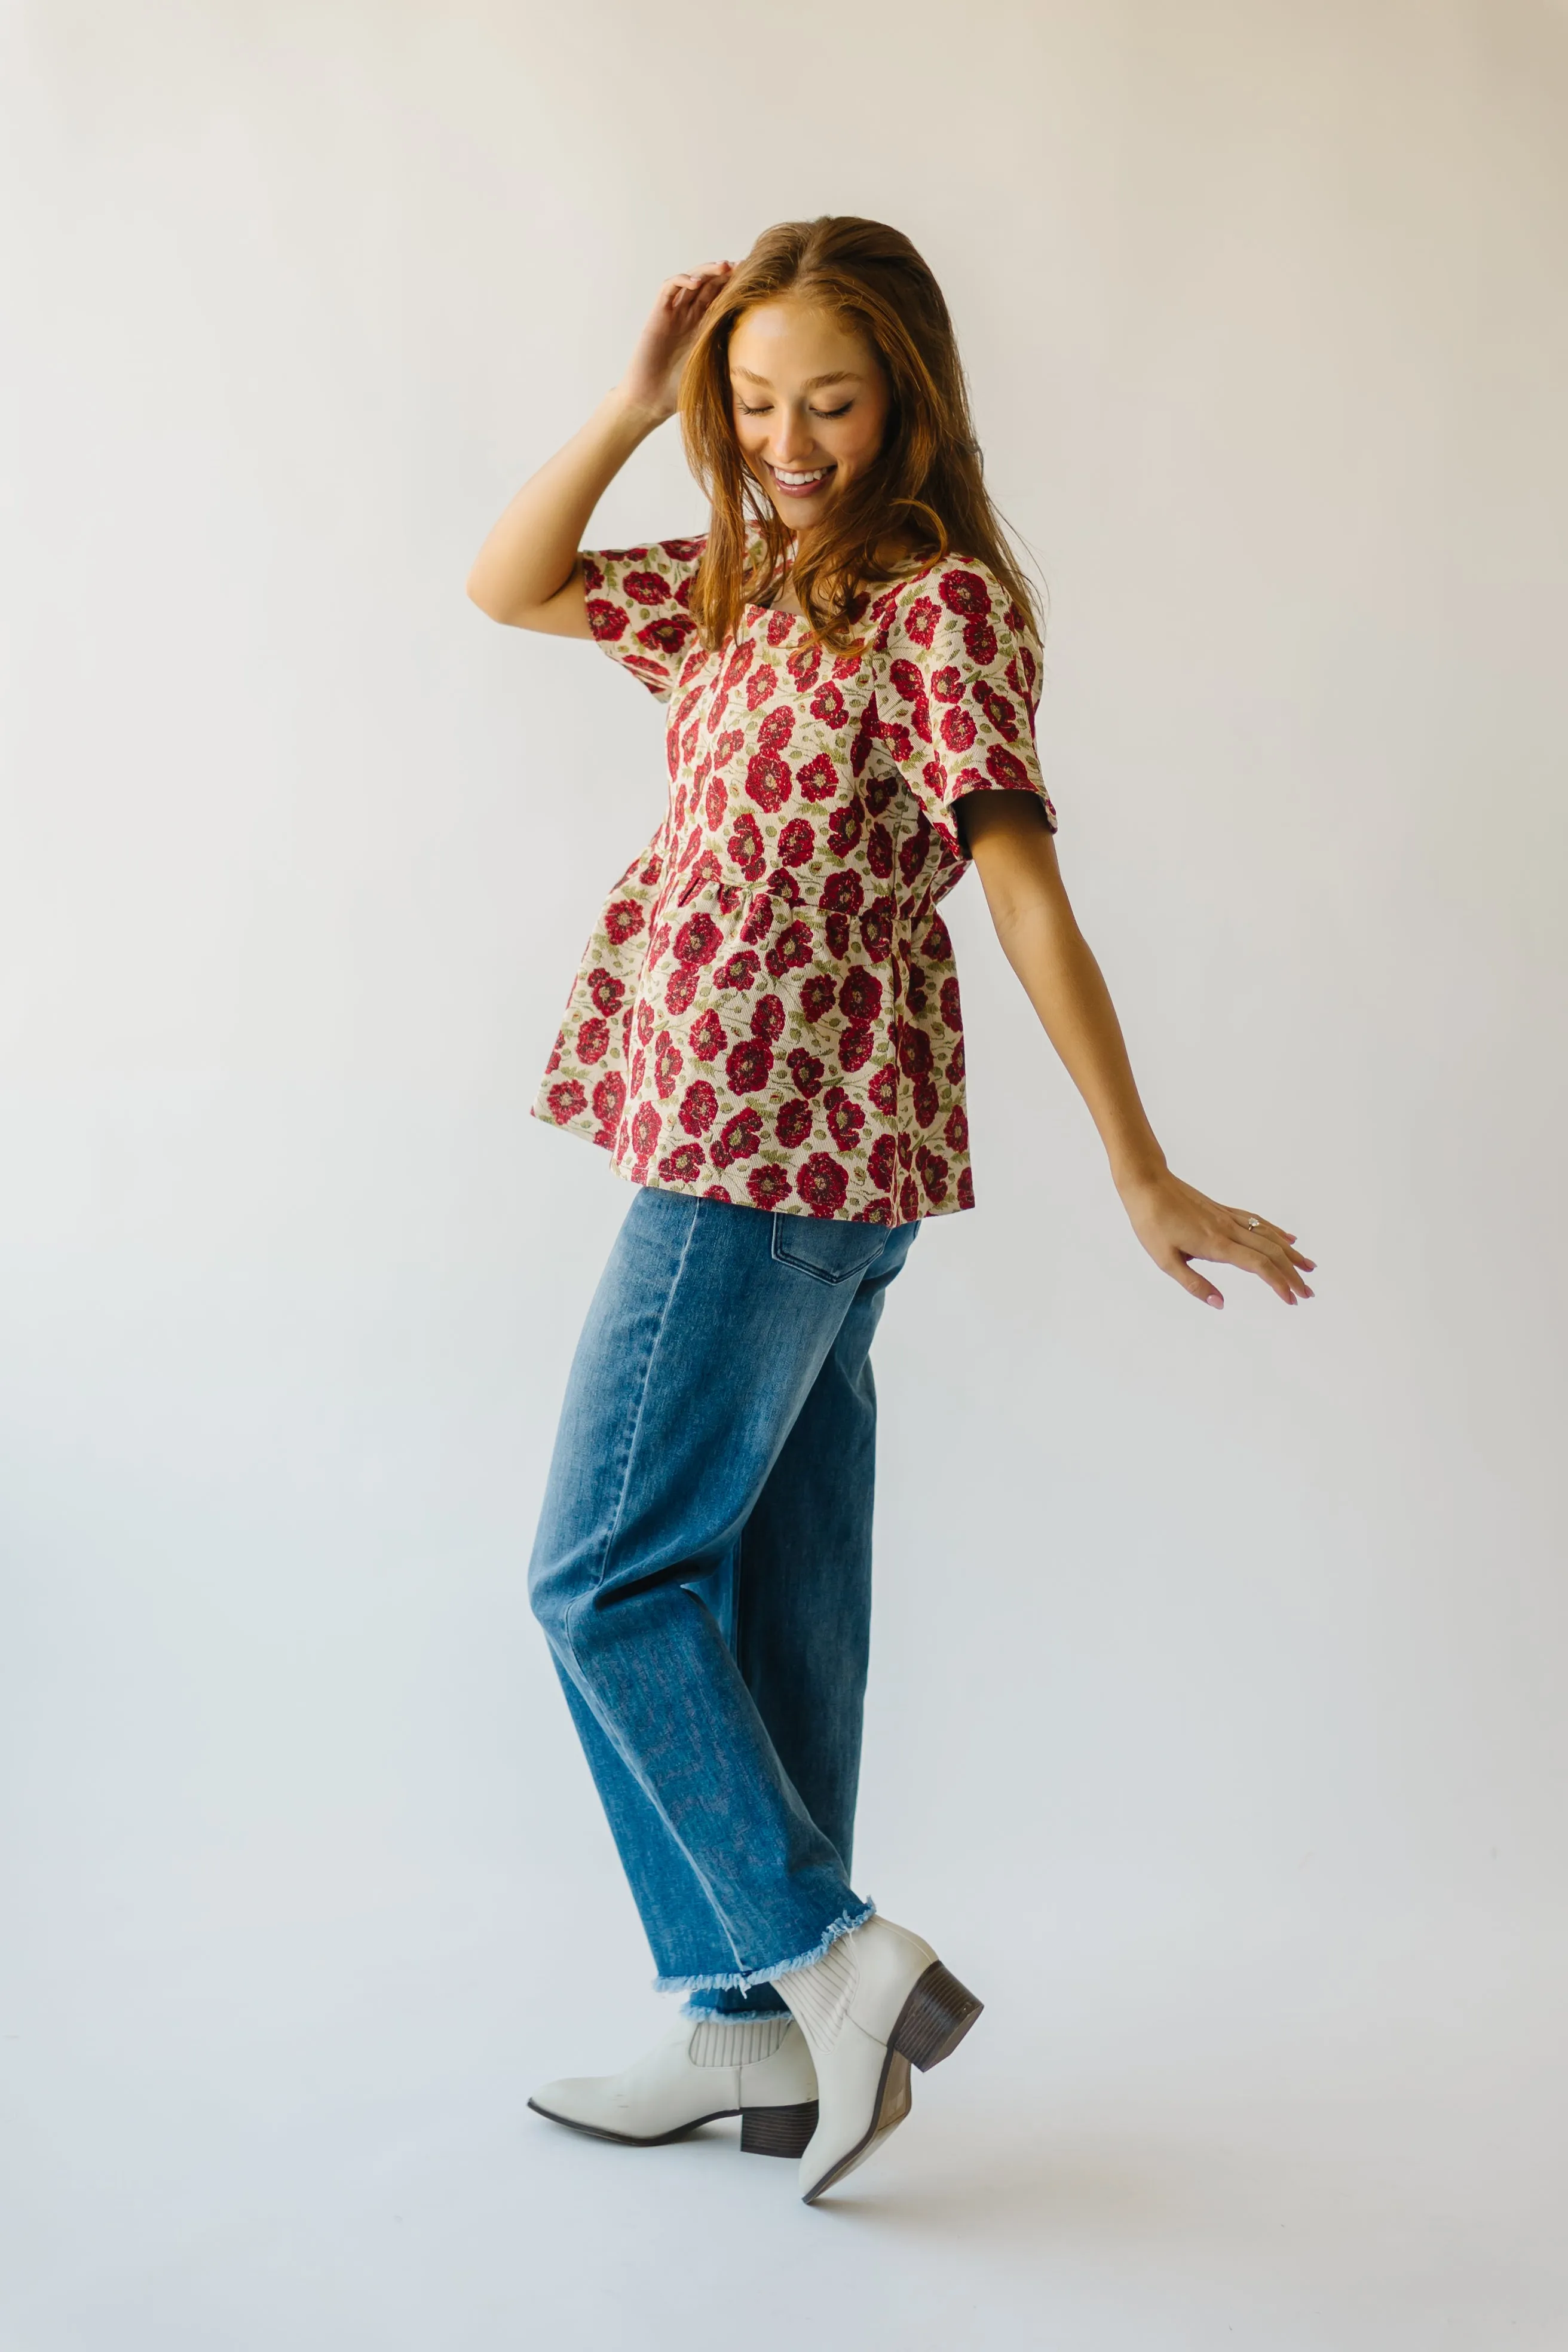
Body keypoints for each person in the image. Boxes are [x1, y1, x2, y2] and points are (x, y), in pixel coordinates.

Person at [466, 216, 1314, 2206]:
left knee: (598, 1575)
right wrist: (629, 397)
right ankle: (749, 2037)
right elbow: (509, 583)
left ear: (912, 396)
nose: (788, 437)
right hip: (798, 1148)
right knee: (771, 1592)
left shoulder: (927, 606)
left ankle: (834, 1966)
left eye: (829, 400)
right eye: (753, 403)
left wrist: (1139, 1161)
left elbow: (1019, 885)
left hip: (765, 1140)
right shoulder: (747, 590)